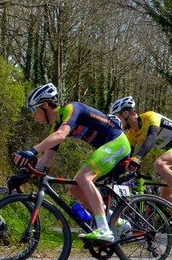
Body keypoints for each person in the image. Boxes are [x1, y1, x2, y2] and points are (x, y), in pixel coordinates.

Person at [13, 83, 131, 243]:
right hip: (109, 147)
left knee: (84, 178)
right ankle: (118, 222)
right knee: (75, 188)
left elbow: (61, 135)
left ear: (45, 105)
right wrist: (24, 174)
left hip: (117, 143)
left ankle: (104, 229)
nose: (34, 116)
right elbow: (46, 160)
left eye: (34, 111)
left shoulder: (71, 109)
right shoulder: (57, 126)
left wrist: (32, 151)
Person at [110, 97, 172, 217]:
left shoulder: (150, 116)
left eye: (117, 117)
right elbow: (126, 158)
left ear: (126, 113)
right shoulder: (131, 134)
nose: (117, 122)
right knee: (165, 198)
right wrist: (113, 174)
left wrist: (138, 157)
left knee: (159, 164)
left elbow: (151, 138)